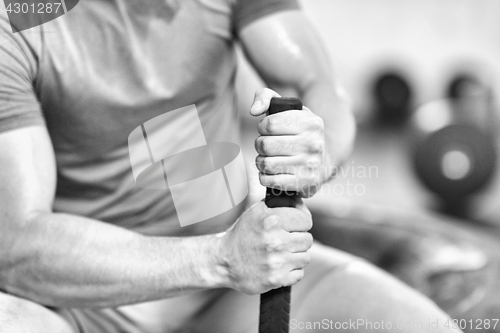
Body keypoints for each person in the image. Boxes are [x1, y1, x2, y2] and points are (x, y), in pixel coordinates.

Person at [0, 0, 460, 332]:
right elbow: (17, 245)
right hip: (86, 300)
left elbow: (319, 84)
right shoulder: (16, 21)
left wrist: (316, 152)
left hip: (230, 290)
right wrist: (219, 259)